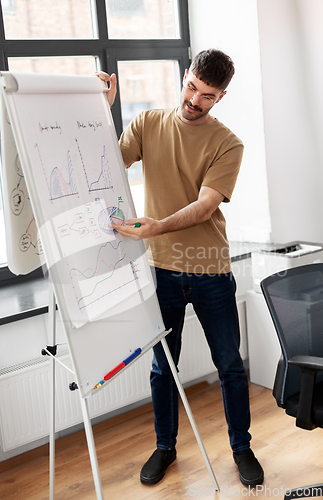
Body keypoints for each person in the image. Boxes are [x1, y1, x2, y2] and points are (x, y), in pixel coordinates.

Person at [96, 49, 264, 488]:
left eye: (207, 96)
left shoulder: (229, 143)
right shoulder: (147, 124)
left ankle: (241, 447)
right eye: (192, 87)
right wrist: (100, 113)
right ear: (185, 76)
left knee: (228, 363)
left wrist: (156, 227)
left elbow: (207, 206)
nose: (195, 100)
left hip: (210, 270)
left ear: (220, 97)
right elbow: (107, 166)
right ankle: (165, 446)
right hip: (159, 271)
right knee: (162, 367)